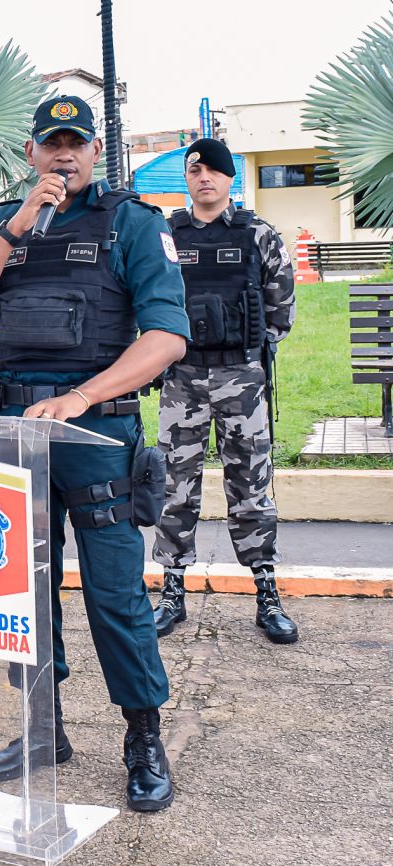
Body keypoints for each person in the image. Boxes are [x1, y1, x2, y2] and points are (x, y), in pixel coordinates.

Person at [0, 96, 189, 812]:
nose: (64, 155)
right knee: (22, 594)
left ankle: (143, 736)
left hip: (96, 436)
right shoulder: (7, 221)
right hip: (15, 436)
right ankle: (42, 728)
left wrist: (82, 396)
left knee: (116, 597)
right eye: (52, 143)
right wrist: (15, 227)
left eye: (76, 143)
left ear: (95, 151)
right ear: (32, 154)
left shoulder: (132, 223)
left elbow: (167, 337)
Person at [151, 138, 298, 644]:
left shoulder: (258, 234)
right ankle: (172, 591)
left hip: (242, 379)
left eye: (214, 170)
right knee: (174, 487)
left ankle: (267, 594)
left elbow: (281, 307)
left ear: (230, 178)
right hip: (182, 378)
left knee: (251, 487)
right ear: (187, 178)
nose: (205, 178)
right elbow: (147, 299)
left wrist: (247, 352)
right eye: (195, 170)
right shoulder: (167, 235)